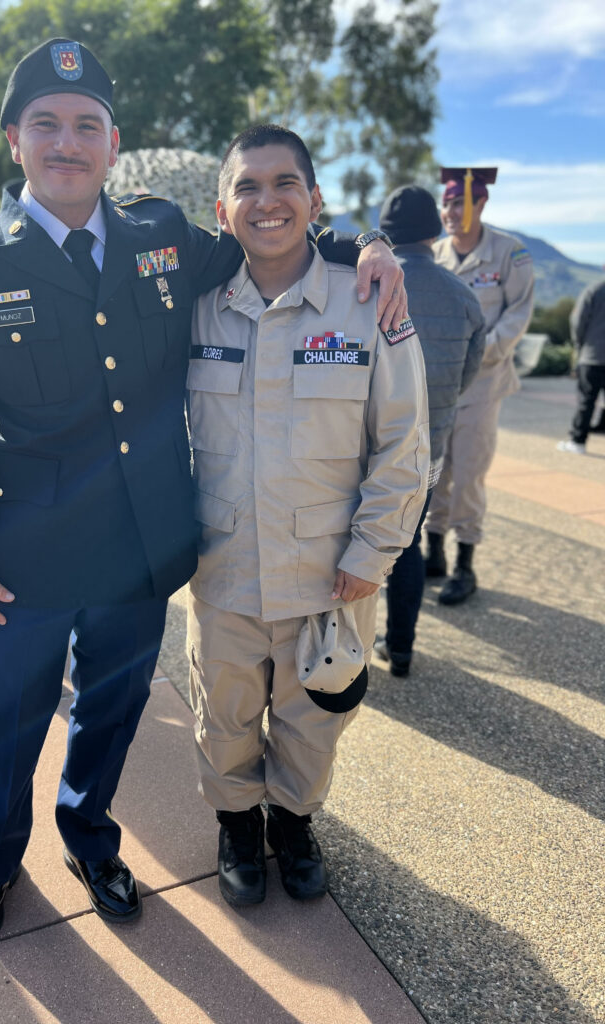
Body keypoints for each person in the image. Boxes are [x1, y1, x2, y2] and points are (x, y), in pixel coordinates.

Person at [0, 38, 406, 957]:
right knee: (9, 718)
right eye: (48, 125)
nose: (68, 142)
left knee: (112, 711)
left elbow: (272, 232)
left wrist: (368, 246)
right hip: (23, 550)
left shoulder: (162, 238)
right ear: (15, 139)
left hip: (141, 546)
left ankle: (92, 843)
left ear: (112, 141)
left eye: (86, 125)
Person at [185, 125, 429, 907]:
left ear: (315, 200)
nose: (267, 201)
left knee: (313, 723)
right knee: (223, 717)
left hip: (330, 575)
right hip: (221, 567)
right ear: (222, 210)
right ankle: (235, 825)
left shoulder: (368, 302)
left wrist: (374, 551)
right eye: (247, 187)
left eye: (285, 183)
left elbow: (404, 441)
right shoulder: (194, 311)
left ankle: (293, 822)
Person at [371, 185, 486, 676]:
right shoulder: (464, 296)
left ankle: (336, 654)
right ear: (436, 233)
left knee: (348, 547)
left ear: (385, 236)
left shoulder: (364, 286)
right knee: (408, 546)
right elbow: (468, 376)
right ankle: (401, 650)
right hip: (428, 451)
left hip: (366, 449)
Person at [425, 168, 534, 605]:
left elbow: (518, 314)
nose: (449, 212)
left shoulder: (510, 252)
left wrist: (477, 350)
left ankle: (465, 563)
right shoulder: (434, 254)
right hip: (441, 383)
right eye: (446, 203)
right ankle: (434, 551)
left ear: (481, 205)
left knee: (469, 470)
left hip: (483, 382)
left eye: (458, 204)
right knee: (435, 468)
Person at [556, 276, 605, 454]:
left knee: (587, 400)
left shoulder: (595, 289)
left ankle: (578, 441)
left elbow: (578, 320)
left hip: (593, 355)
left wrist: (579, 344)